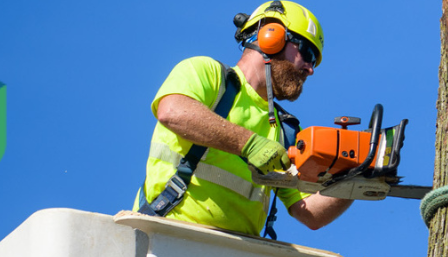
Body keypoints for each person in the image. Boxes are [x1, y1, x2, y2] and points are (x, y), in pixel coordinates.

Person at [136, 0, 349, 237]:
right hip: (167, 234)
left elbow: (310, 213)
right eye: (307, 54)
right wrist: (249, 144)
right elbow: (173, 111)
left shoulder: (285, 130)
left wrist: (353, 180)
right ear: (272, 35)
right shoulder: (208, 74)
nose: (310, 69)